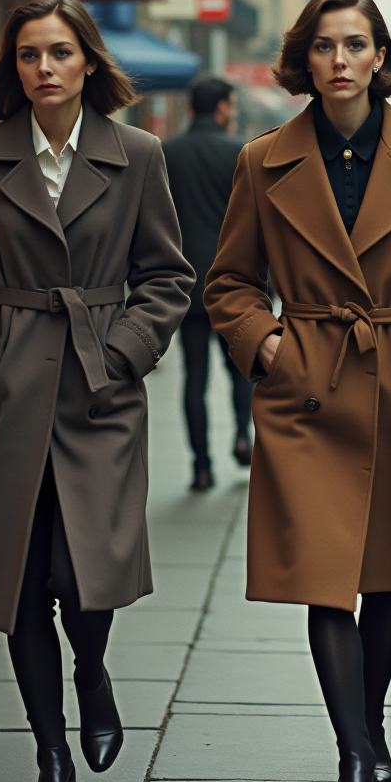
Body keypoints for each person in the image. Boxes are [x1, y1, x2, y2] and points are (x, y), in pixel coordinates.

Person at [204, 0, 391, 782]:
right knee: (325, 578)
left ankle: (368, 726)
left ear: (380, 57)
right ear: (304, 60)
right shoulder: (262, 160)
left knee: (386, 575)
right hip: (307, 389)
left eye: (355, 45)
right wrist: (266, 346)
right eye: (325, 46)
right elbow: (229, 281)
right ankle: (356, 750)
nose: (340, 60)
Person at [0, 0, 194, 782]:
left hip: (99, 388)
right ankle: (49, 744)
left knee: (85, 574)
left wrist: (126, 351)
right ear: (16, 66)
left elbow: (168, 276)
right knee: (22, 575)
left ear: (88, 61)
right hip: (7, 392)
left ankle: (92, 675)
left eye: (60, 51)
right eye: (30, 53)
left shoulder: (138, 154)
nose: (44, 67)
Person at [162, 76, 254, 491]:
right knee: (240, 371)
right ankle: (242, 436)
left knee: (193, 377)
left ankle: (201, 466)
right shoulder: (240, 153)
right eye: (231, 107)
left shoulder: (167, 154)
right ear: (221, 108)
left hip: (185, 284)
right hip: (236, 285)